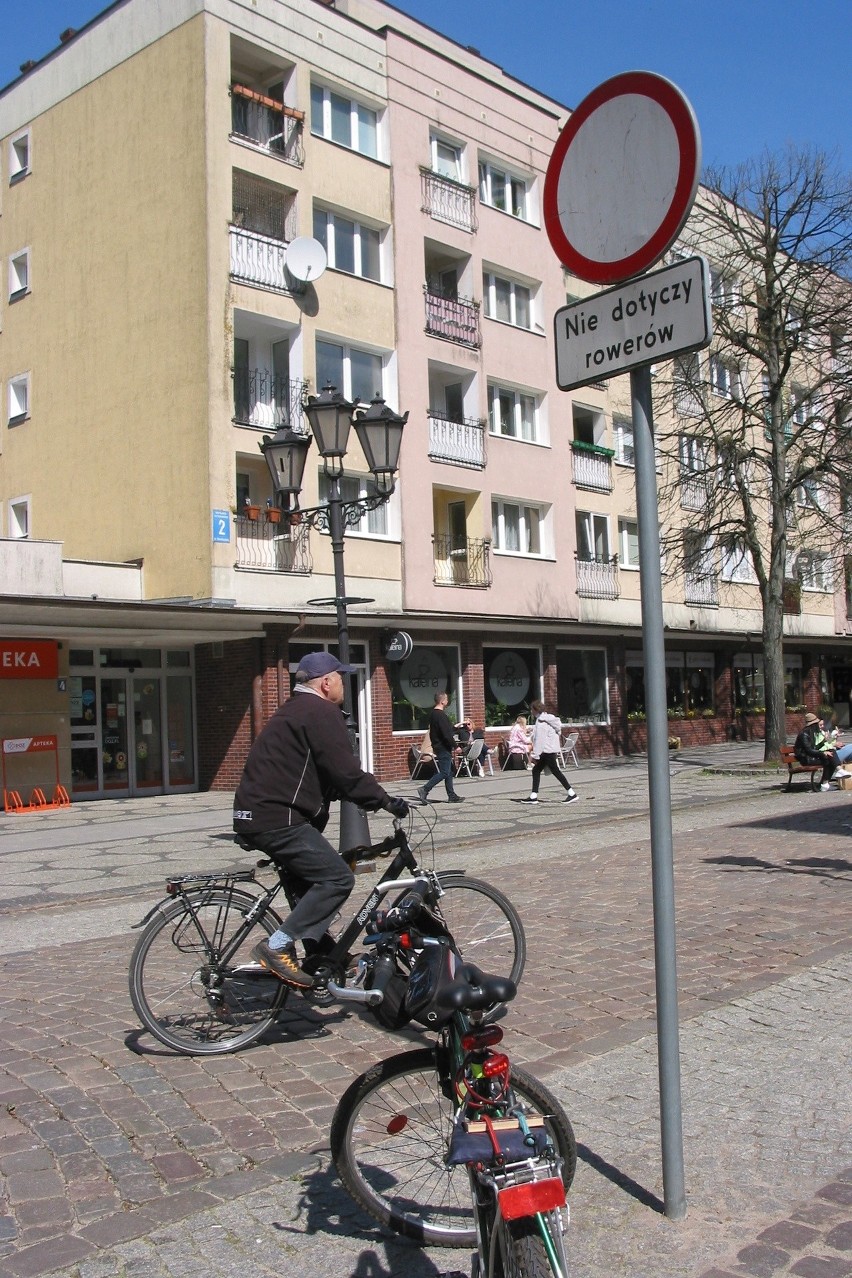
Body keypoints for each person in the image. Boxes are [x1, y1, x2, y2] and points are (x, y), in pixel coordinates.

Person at [233, 652, 409, 988]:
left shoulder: (293, 710)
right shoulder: (320, 712)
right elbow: (345, 772)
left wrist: (354, 793)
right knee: (337, 879)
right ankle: (277, 946)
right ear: (326, 683)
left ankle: (326, 956)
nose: (344, 683)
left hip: (258, 814)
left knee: (310, 889)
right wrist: (386, 801)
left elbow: (320, 773)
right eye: (341, 677)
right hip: (277, 818)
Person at [523, 700, 580, 804]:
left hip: (546, 751)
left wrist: (535, 755)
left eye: (532, 709)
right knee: (536, 770)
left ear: (535, 710)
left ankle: (571, 793)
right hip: (551, 749)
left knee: (555, 771)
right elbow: (556, 732)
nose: (531, 712)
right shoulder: (551, 719)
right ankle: (533, 795)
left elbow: (540, 740)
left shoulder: (541, 722)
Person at [418, 691, 465, 804]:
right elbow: (446, 734)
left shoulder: (433, 714)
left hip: (438, 745)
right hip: (443, 746)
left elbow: (444, 730)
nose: (448, 701)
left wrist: (455, 727)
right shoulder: (440, 715)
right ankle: (425, 789)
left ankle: (451, 795)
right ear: (442, 701)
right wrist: (456, 746)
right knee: (444, 772)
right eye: (447, 699)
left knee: (449, 771)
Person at [793, 711, 850, 791]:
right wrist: (823, 753)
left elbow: (816, 746)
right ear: (812, 725)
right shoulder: (804, 734)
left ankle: (828, 781)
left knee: (830, 753)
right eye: (817, 724)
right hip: (806, 759)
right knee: (829, 758)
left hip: (812, 756)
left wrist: (827, 741)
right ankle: (827, 781)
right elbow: (809, 750)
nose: (818, 726)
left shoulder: (812, 733)